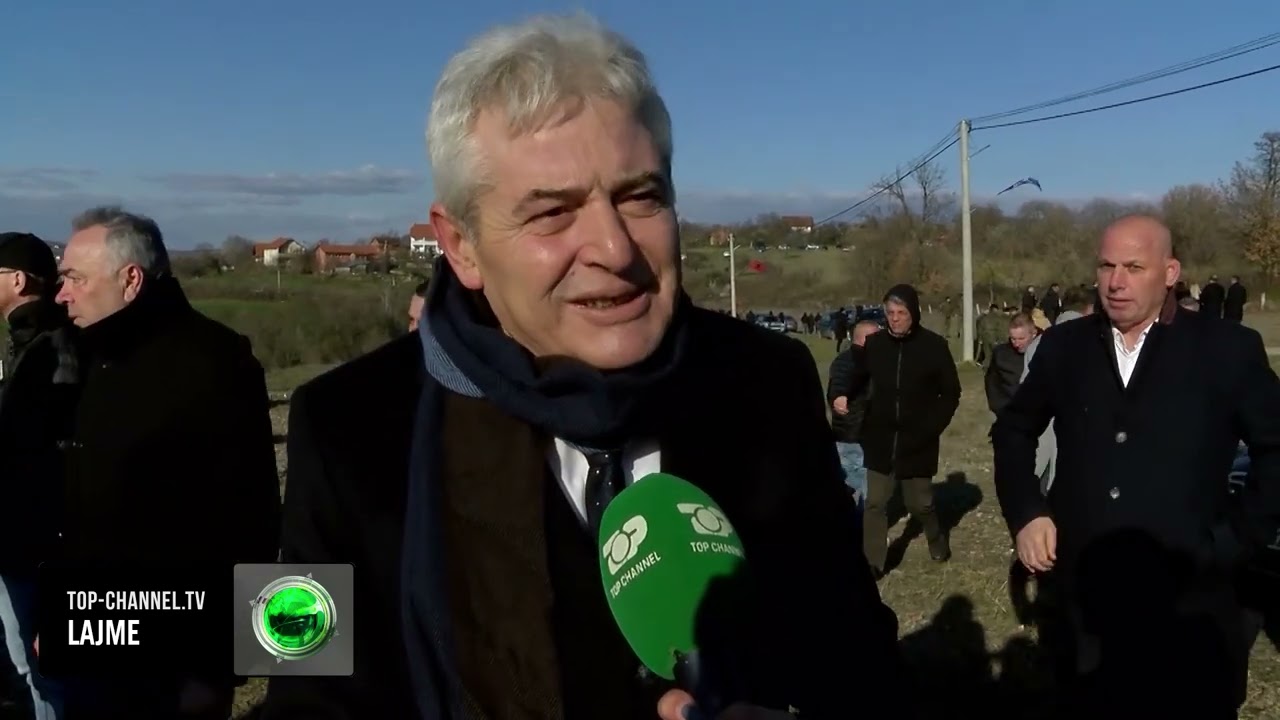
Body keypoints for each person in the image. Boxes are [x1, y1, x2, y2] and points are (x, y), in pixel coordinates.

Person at [261, 15, 905, 720]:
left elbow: (857, 649)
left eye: (641, 197)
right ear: (462, 244)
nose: (614, 248)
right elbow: (297, 694)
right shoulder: (339, 425)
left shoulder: (770, 379)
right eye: (552, 213)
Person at [992, 215, 1280, 718]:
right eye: (1106, 266)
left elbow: (1275, 449)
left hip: (1189, 597)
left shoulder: (1226, 349)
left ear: (1170, 273)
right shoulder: (1065, 346)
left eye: (1133, 267)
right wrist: (1027, 512)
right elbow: (1014, 430)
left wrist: (1236, 539)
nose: (1115, 282)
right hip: (1084, 592)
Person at [48, 206, 282, 718]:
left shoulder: (215, 363)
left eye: (75, 278)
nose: (62, 294)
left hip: (174, 655)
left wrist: (217, 666)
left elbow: (250, 516)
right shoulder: (82, 354)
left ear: (130, 280)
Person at [0, 232, 77, 720]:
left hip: (37, 538)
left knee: (45, 670)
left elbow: (43, 445)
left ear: (18, 280)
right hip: (23, 533)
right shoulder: (30, 342)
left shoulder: (51, 348)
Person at [849, 284, 961, 578]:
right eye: (890, 313)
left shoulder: (934, 347)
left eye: (901, 313)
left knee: (919, 504)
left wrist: (932, 427)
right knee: (875, 503)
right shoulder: (875, 345)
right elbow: (858, 380)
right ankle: (873, 564)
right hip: (881, 438)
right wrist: (842, 397)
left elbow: (951, 393)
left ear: (914, 313)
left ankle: (936, 539)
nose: (895, 318)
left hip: (918, 440)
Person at [1017, 286, 1093, 495]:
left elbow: (1025, 394)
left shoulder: (1039, 342)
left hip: (1041, 437)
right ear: (1089, 309)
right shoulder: (1095, 342)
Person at [827, 320, 879, 507]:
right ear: (864, 339)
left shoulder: (874, 360)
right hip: (852, 435)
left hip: (866, 434)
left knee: (864, 480)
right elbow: (840, 380)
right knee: (860, 481)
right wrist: (839, 396)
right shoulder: (848, 360)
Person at [984, 313, 1036, 418]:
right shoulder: (1000, 354)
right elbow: (992, 384)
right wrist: (1001, 410)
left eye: (1021, 338)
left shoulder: (1045, 352)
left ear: (1033, 334)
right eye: (1013, 339)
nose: (1016, 343)